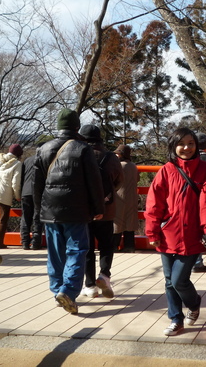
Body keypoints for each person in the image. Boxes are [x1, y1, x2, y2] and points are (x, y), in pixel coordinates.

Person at [145, 127, 206, 336]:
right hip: (168, 233)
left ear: (196, 146)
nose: (186, 148)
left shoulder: (205, 169)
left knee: (178, 280)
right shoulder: (166, 170)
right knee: (169, 281)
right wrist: (152, 232)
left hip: (194, 234)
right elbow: (154, 204)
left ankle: (194, 304)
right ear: (173, 146)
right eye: (181, 144)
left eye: (191, 143)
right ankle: (176, 320)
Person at [33, 108, 104, 315]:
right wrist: (98, 208)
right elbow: (94, 181)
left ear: (58, 126)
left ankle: (57, 290)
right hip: (76, 208)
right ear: (76, 126)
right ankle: (68, 291)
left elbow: (36, 184)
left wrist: (39, 210)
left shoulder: (43, 148)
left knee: (55, 254)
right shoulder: (82, 148)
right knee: (77, 251)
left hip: (50, 209)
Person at [79, 124, 123, 299]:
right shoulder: (111, 157)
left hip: (85, 208)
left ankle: (89, 285)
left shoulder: (80, 155)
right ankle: (104, 274)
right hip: (106, 208)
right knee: (106, 244)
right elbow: (119, 182)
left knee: (87, 248)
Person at [113, 144, 139, 253]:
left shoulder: (119, 166)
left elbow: (113, 179)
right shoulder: (133, 166)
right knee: (130, 222)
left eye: (118, 153)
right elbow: (137, 179)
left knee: (117, 222)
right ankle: (129, 246)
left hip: (119, 197)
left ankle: (114, 246)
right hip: (132, 197)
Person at [192, 132, 206, 273]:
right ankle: (202, 261)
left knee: (194, 230)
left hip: (192, 197)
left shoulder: (190, 159)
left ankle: (196, 261)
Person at [20, 147, 43, 250]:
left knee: (25, 217)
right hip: (38, 192)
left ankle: (24, 242)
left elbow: (21, 178)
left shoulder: (27, 160)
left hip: (25, 191)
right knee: (37, 217)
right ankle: (35, 243)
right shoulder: (44, 160)